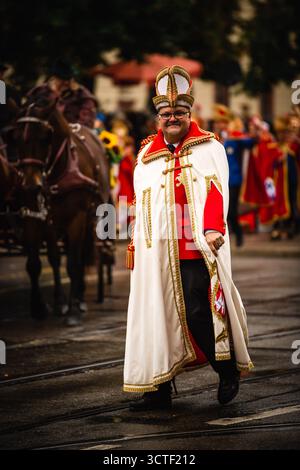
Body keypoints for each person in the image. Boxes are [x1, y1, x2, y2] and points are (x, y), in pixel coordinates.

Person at [124, 65, 253, 411]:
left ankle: (227, 370)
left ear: (188, 112)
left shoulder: (208, 147)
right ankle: (160, 387)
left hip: (196, 247)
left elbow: (216, 190)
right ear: (158, 116)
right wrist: (136, 237)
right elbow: (140, 200)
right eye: (166, 114)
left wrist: (212, 227)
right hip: (157, 251)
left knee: (199, 313)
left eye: (178, 112)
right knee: (157, 313)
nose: (172, 118)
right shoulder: (145, 156)